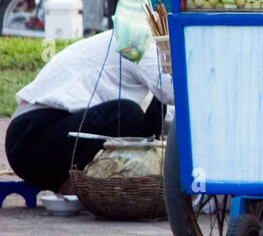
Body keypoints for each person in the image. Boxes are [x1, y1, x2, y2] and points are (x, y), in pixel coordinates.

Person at [5, 29, 171, 192]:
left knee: (154, 109)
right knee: (128, 113)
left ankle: (141, 178)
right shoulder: (137, 38)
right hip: (30, 140)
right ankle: (87, 183)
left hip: (52, 133)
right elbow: (172, 91)